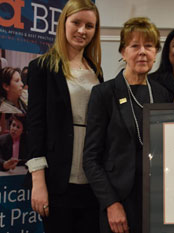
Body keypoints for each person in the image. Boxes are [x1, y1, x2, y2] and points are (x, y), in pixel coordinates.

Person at [83, 17, 172, 233]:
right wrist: (111, 204)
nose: (142, 52)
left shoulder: (163, 94)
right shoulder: (104, 93)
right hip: (118, 200)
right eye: (135, 46)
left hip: (158, 200)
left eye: (149, 46)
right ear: (123, 52)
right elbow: (91, 158)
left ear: (156, 53)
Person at [25, 0, 103, 232]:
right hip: (57, 181)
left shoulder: (96, 70)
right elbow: (35, 126)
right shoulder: (41, 67)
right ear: (63, 23)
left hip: (92, 180)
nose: (82, 31)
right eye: (76, 23)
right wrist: (38, 183)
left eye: (89, 26)